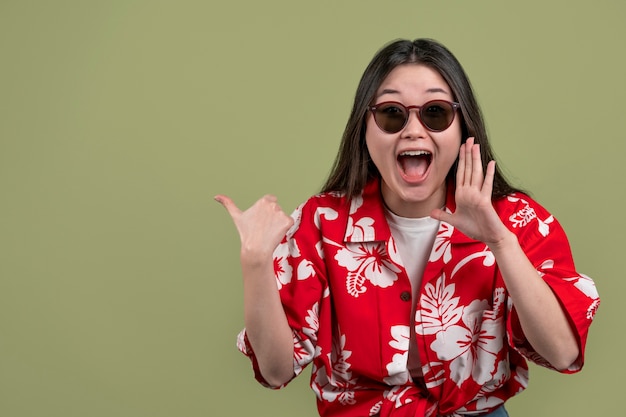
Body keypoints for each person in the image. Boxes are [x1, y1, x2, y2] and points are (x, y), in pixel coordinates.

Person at [215, 38, 600, 417]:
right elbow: (276, 370)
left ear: (462, 127)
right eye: (392, 114)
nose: (413, 130)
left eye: (434, 113)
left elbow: (563, 353)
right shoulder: (320, 222)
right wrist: (255, 262)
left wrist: (499, 241)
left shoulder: (515, 219)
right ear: (364, 131)